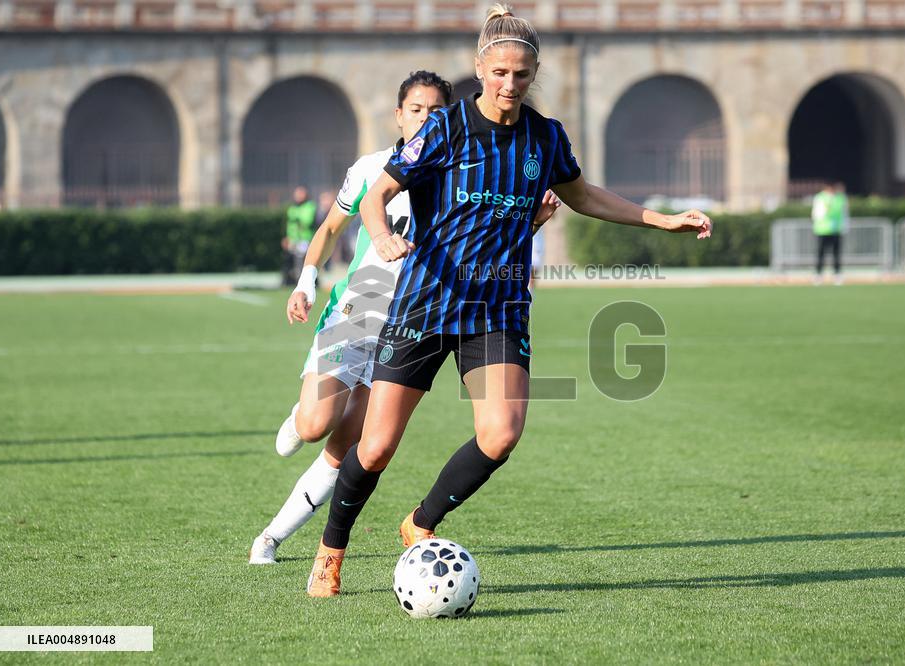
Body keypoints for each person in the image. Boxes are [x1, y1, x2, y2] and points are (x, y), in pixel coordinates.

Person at [305, 3, 711, 597]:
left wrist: (659, 219)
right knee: (377, 443)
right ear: (480, 68)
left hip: (497, 309)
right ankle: (330, 551)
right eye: (499, 72)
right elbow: (380, 190)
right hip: (426, 301)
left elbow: (583, 195)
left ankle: (419, 523)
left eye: (521, 74)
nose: (509, 84)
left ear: (534, 73)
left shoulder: (545, 136)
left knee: (501, 433)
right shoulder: (445, 128)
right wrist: (386, 233)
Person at [249, 71, 561, 564]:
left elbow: (496, 226)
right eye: (416, 109)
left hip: (418, 317)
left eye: (437, 111)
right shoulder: (373, 167)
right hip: (360, 311)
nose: (426, 118)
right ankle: (299, 415)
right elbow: (332, 226)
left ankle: (273, 536)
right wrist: (307, 280)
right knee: (314, 424)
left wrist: (532, 222)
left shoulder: (466, 162)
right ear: (398, 115)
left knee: (358, 445)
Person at [812, 181, 847, 285]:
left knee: (836, 254)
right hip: (822, 230)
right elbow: (816, 214)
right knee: (821, 254)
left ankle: (837, 275)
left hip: (836, 230)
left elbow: (844, 213)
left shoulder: (840, 198)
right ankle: (818, 275)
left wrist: (844, 227)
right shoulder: (820, 198)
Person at [282, 186, 317, 286]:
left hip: (304, 239)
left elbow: (307, 221)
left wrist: (298, 219)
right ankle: (290, 282)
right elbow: (290, 225)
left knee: (304, 262)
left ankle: (309, 283)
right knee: (291, 262)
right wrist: (288, 237)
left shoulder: (309, 206)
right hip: (293, 240)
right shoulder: (292, 207)